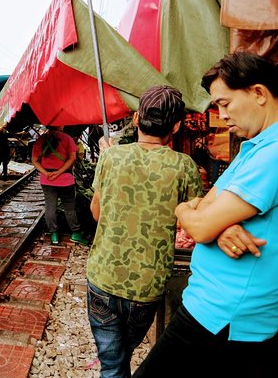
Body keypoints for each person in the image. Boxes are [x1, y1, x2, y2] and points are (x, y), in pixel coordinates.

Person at [134, 53, 278, 378]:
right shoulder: (253, 147)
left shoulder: (272, 154)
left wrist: (202, 218)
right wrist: (216, 224)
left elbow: (198, 223)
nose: (222, 115)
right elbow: (203, 203)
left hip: (226, 312)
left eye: (225, 103)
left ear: (258, 93)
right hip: (217, 305)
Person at [87, 86, 202, 378]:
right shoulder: (185, 166)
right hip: (147, 286)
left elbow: (96, 212)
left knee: (113, 363)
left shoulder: (111, 157)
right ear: (176, 126)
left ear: (137, 119)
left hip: (103, 276)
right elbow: (194, 223)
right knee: (122, 357)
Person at [32, 126, 86, 245]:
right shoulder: (67, 138)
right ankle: (76, 233)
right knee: (69, 207)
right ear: (60, 125)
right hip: (65, 179)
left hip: (47, 180)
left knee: (50, 207)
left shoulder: (40, 140)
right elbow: (72, 158)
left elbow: (34, 160)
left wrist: (46, 173)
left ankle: (54, 235)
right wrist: (59, 172)